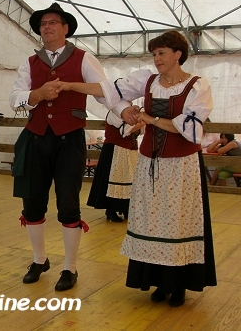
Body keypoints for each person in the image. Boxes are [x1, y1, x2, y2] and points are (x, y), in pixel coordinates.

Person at [59, 30, 217, 307]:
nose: (156, 59)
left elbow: (191, 129)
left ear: (178, 54)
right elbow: (108, 90)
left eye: (162, 53)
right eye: (154, 54)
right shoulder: (147, 80)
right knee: (152, 220)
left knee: (178, 222)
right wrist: (73, 86)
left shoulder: (196, 85)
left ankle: (178, 284)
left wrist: (151, 119)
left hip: (182, 165)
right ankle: (157, 280)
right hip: (150, 162)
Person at [9, 2, 126, 291]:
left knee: (68, 204)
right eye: (42, 24)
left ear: (65, 28)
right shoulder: (30, 62)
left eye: (52, 23)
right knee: (32, 203)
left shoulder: (84, 58)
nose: (46, 27)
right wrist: (37, 93)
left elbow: (105, 91)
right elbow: (15, 97)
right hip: (36, 138)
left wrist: (124, 113)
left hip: (70, 139)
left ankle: (70, 268)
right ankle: (39, 260)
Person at [87, 111, 143, 222]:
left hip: (129, 150)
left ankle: (126, 208)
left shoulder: (130, 111)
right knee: (114, 179)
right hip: (116, 149)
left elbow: (137, 131)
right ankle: (111, 209)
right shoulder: (115, 112)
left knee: (130, 178)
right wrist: (144, 121)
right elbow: (125, 130)